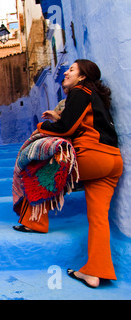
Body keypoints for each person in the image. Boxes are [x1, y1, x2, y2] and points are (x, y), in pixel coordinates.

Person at [14, 59, 122, 288]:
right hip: (113, 161)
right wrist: (58, 118)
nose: (66, 73)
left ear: (82, 77)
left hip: (91, 156)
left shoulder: (79, 91)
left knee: (40, 167)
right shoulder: (95, 96)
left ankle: (36, 221)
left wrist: (42, 128)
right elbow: (80, 123)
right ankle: (95, 271)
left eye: (72, 70)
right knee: (98, 217)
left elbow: (66, 130)